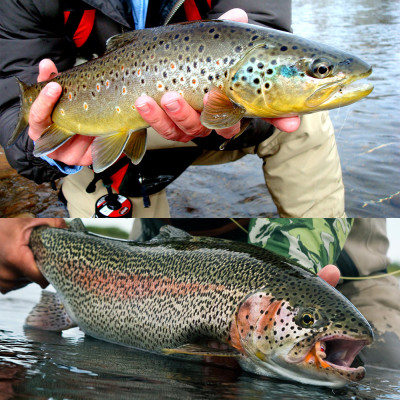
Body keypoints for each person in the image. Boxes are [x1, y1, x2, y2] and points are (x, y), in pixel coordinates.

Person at [0, 1, 345, 218]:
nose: (324, 75)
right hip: (98, 128)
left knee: (304, 121)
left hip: (210, 121)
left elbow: (269, 79)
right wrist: (46, 149)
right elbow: (11, 105)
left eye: (321, 70)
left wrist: (227, 120)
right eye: (322, 70)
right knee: (121, 260)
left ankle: (311, 265)